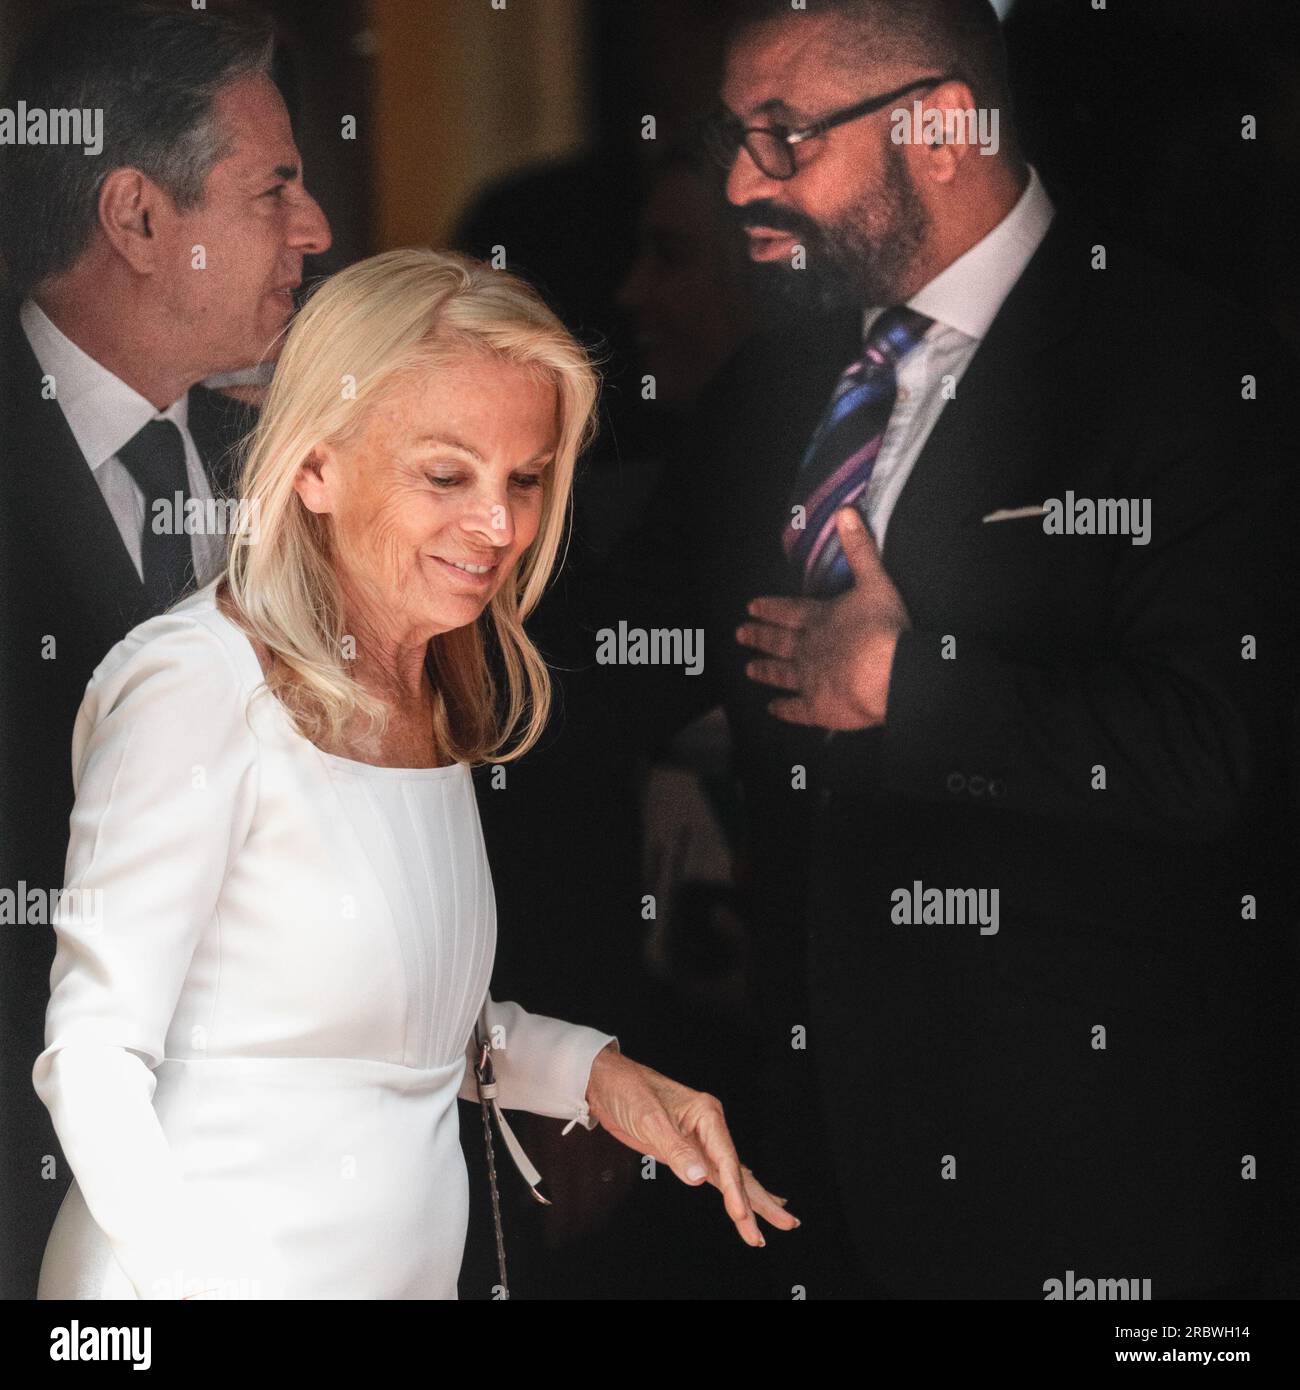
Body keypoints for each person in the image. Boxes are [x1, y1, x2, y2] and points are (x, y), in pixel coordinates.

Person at [578, 0, 1297, 1297]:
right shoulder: (769, 390)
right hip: (798, 1170)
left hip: (1090, 1179)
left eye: (785, 137)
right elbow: (603, 671)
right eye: (730, 137)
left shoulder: (1194, 369)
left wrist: (914, 686)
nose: (745, 180)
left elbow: (1217, 750)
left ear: (944, 125)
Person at [31, 246, 796, 1300]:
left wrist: (595, 1075)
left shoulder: (432, 683)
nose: (498, 527)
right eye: (446, 474)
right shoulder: (194, 686)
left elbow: (385, 1021)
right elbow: (93, 1059)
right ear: (314, 466)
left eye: (525, 479)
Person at [0, 2, 332, 1294]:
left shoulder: (291, 468)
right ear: (138, 219)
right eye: (277, 188)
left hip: (284, 1196)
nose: (313, 231)